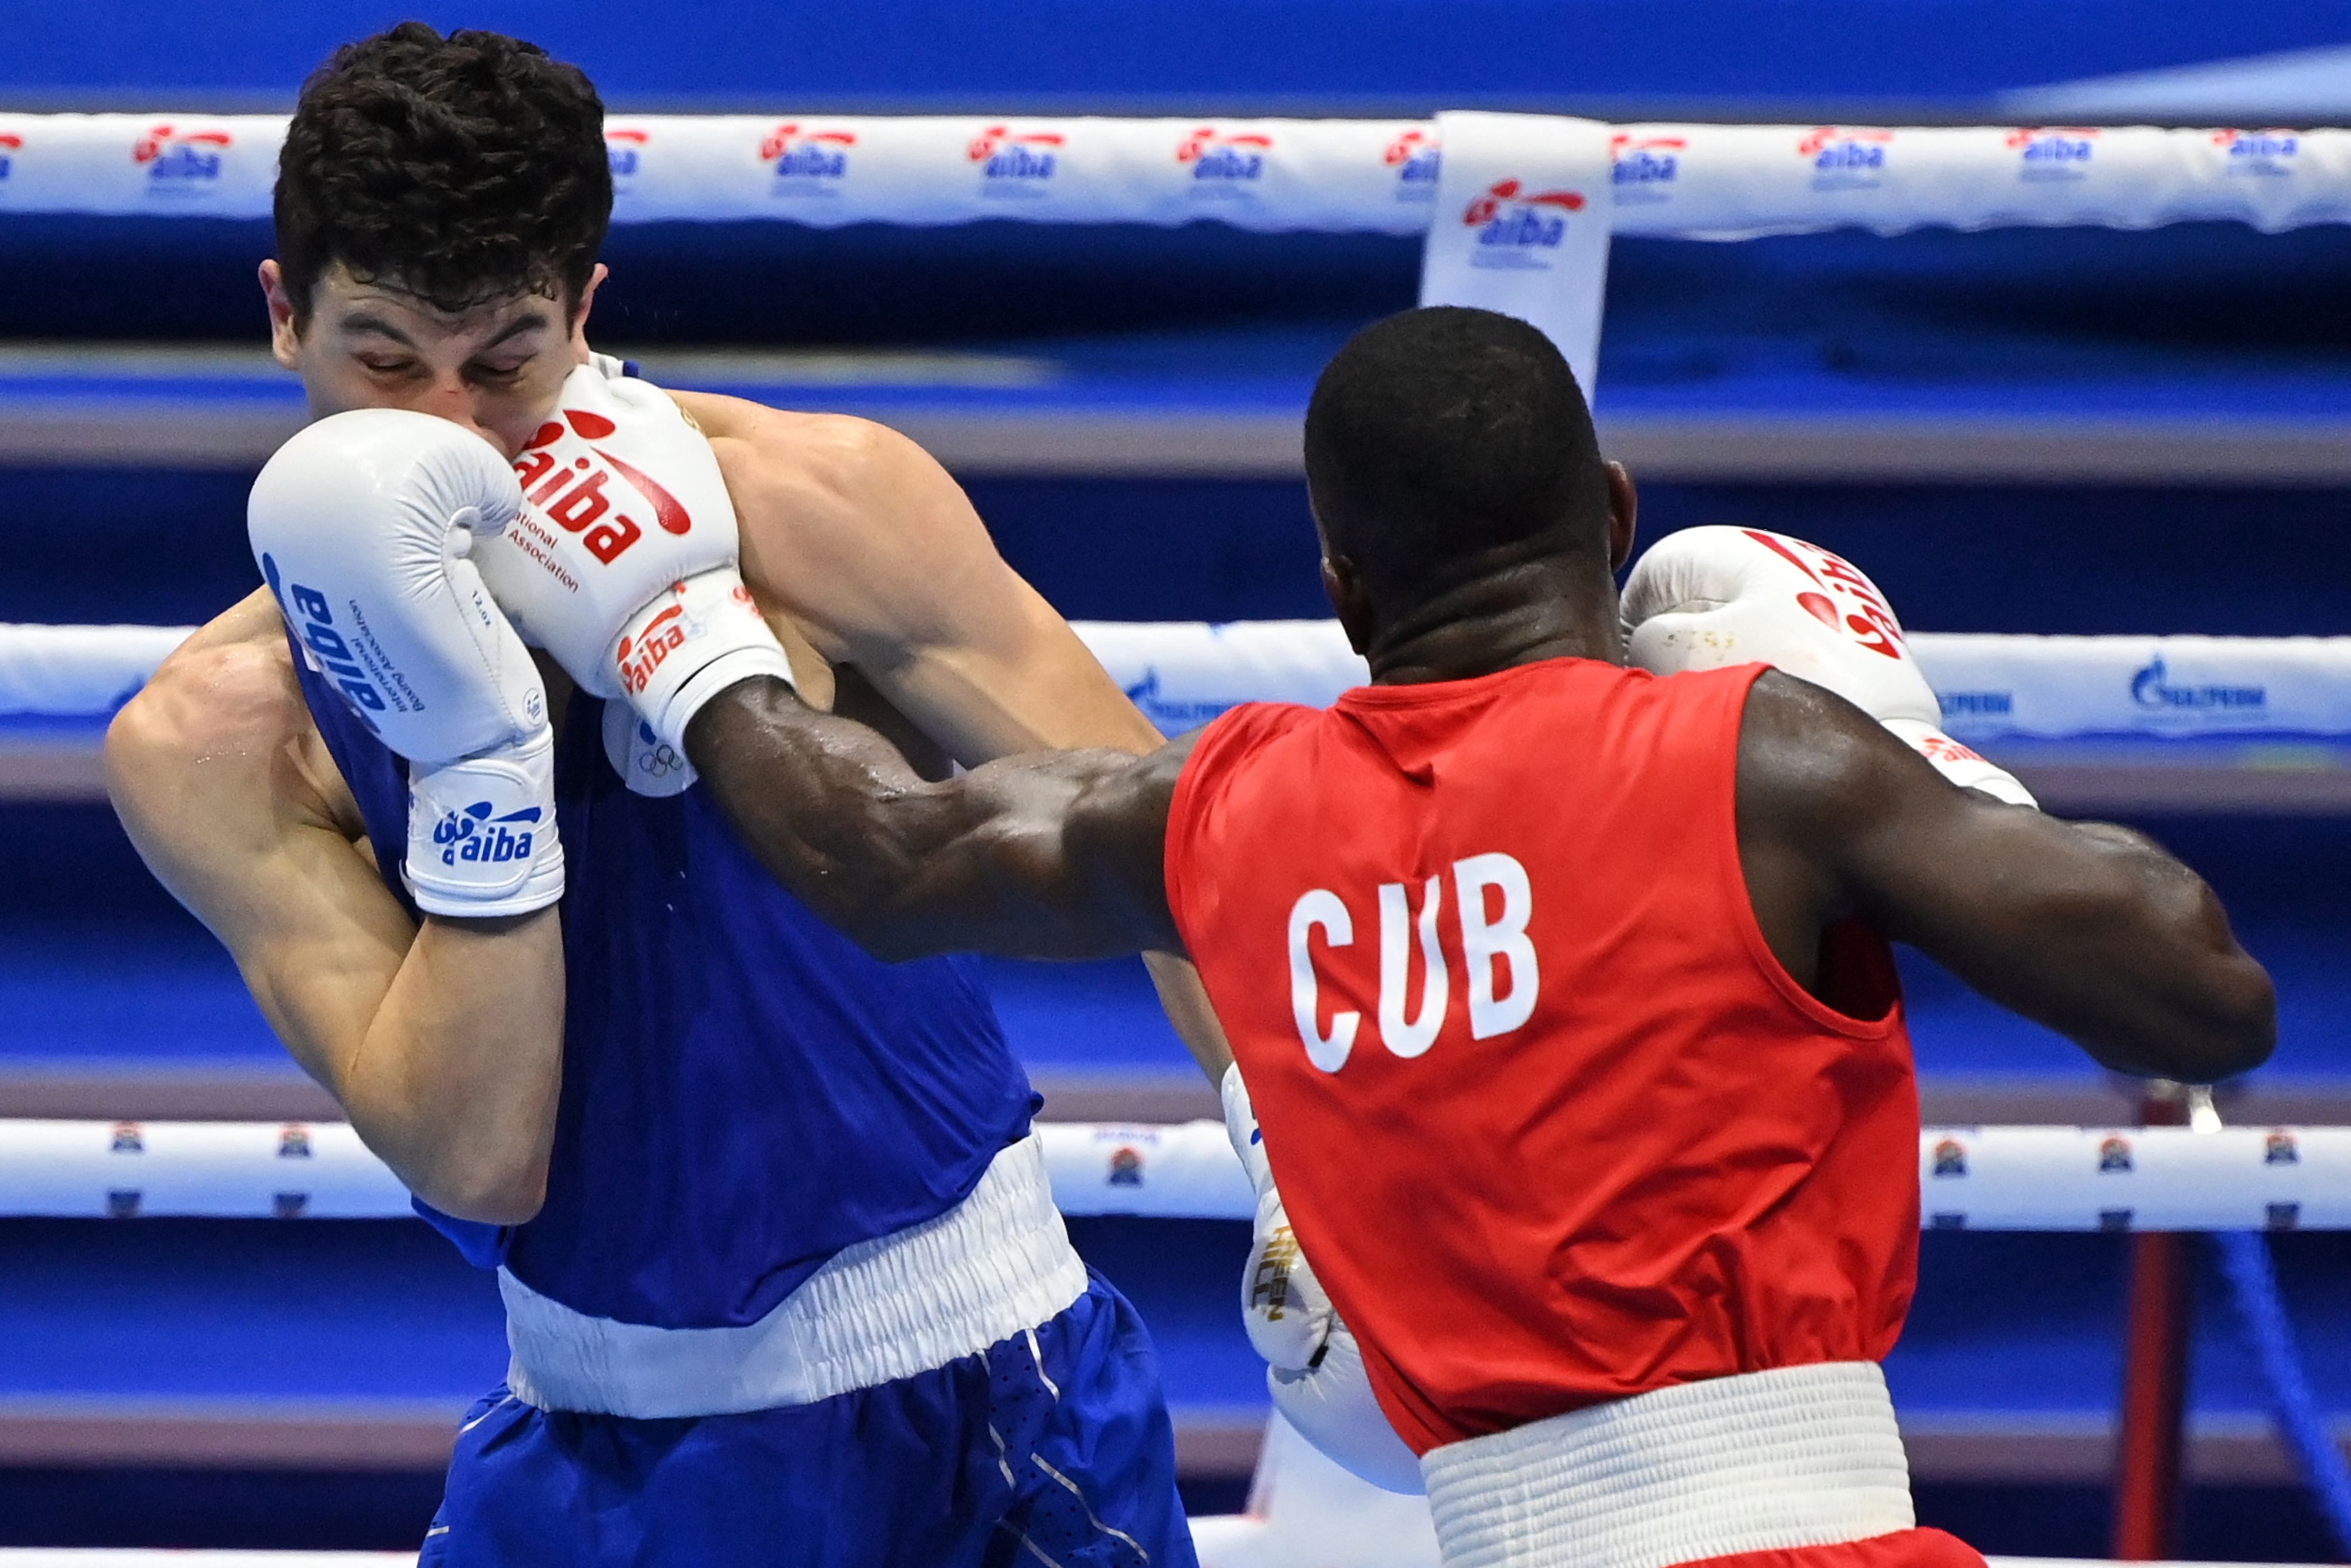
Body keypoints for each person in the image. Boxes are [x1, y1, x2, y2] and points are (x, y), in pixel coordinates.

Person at [662, 306, 2278, 1568]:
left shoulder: (1218, 816)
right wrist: (1920, 754)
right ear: (1617, 510)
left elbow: (874, 853)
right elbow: (2207, 999)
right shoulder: (1765, 759)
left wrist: (677, 637)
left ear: (1345, 587)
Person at [104, 24, 1220, 1567]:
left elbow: (1179, 851)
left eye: (502, 361)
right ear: (282, 314)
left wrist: (1309, 1175)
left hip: (998, 1399)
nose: (444, 433)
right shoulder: (224, 735)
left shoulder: (809, 507)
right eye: (382, 361)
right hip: (605, 1459)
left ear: (587, 312)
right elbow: (479, 1155)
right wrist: (481, 748)